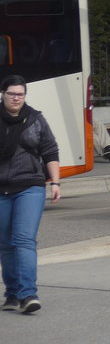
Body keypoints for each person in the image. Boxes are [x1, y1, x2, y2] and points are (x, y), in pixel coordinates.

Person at [0, 75, 60, 315]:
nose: (16, 98)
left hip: (30, 186)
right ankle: (12, 293)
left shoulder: (35, 118)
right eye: (12, 93)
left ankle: (28, 294)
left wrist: (55, 182)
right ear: (2, 94)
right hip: (1, 188)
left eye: (21, 94)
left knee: (24, 239)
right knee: (5, 243)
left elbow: (50, 150)